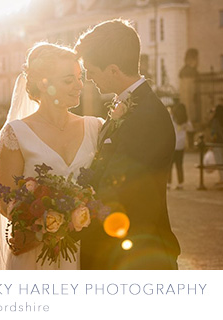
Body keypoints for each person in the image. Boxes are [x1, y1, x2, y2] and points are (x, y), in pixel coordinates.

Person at [75, 19, 181, 270]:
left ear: (113, 70)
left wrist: (71, 211)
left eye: (91, 71)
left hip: (137, 255)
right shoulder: (132, 105)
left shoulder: (147, 116)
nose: (89, 79)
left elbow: (120, 187)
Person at [0, 42, 103, 270]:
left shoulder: (96, 127)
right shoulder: (16, 134)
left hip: (86, 252)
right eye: (68, 80)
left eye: (79, 78)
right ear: (44, 84)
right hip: (34, 256)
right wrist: (49, 220)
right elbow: (5, 202)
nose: (79, 86)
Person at [167, 103, 189, 190]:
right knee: (179, 165)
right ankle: (180, 183)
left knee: (170, 165)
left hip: (172, 144)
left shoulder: (172, 118)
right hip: (181, 144)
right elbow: (190, 128)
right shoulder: (185, 120)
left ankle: (168, 183)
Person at [210, 104, 223, 185]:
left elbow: (214, 133)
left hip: (218, 143)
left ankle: (222, 178)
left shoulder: (215, 120)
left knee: (220, 161)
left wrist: (212, 142)